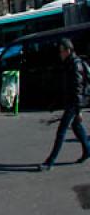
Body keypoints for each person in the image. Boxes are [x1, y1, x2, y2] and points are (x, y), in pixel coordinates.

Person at [40, 38, 90, 171]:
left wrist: (78, 110)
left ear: (68, 51)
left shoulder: (75, 65)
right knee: (76, 127)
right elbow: (66, 87)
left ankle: (50, 162)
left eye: (61, 51)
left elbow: (77, 89)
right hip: (72, 101)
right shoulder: (69, 63)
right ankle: (88, 150)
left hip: (74, 103)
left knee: (61, 131)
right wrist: (55, 103)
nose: (60, 54)